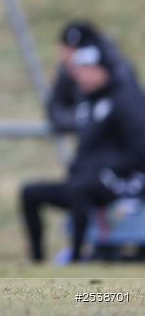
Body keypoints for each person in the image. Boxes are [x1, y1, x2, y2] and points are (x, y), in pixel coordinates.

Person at [20, 21, 145, 263]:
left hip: (117, 182)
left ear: (102, 69)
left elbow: (139, 148)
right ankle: (36, 261)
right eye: (79, 69)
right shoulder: (85, 104)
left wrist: (106, 168)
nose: (79, 75)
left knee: (81, 189)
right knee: (31, 192)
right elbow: (55, 110)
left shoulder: (124, 100)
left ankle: (76, 257)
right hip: (85, 180)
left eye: (87, 68)